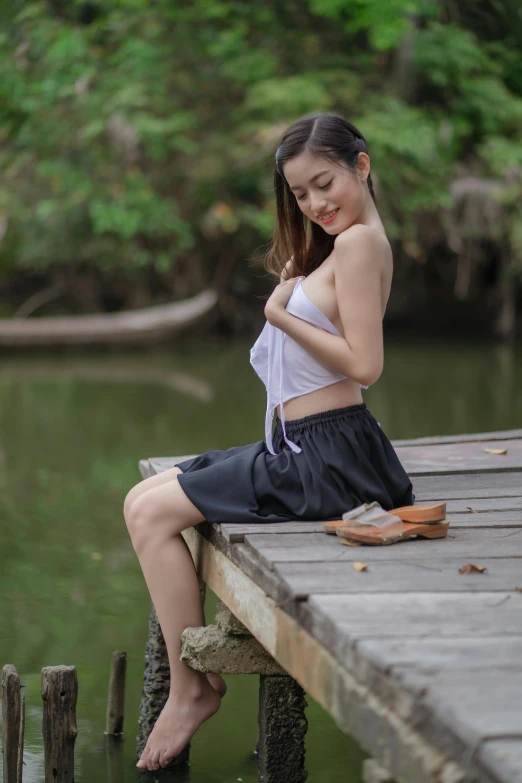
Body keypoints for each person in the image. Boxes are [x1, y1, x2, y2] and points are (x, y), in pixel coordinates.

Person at [123, 111, 414, 772]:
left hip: (327, 458)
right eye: (301, 194)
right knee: (146, 496)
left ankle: (191, 686)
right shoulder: (344, 248)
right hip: (312, 446)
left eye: (325, 182)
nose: (315, 203)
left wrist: (281, 311)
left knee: (146, 512)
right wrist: (297, 289)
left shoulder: (361, 244)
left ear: (361, 165)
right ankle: (189, 680)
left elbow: (365, 364)